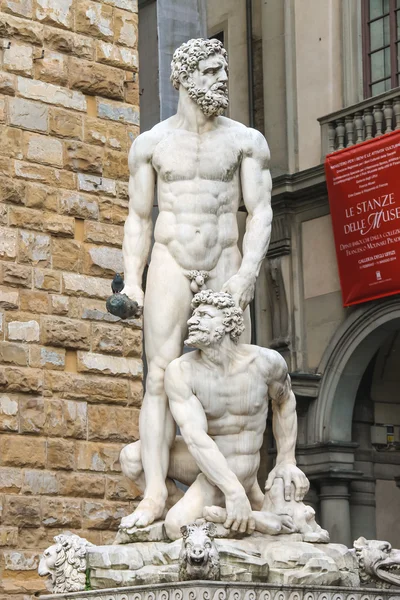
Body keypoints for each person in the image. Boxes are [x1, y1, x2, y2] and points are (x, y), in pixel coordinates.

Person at [120, 37, 273, 529]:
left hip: (226, 260)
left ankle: (240, 490)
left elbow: (263, 212)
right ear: (183, 77)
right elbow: (139, 219)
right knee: (161, 376)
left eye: (223, 71)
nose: (221, 79)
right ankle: (153, 494)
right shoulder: (151, 144)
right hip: (171, 261)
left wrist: (248, 274)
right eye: (210, 71)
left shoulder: (245, 140)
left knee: (234, 377)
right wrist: (132, 283)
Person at [161, 290, 309, 539]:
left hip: (240, 462)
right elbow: (195, 437)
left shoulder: (265, 363)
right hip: (205, 457)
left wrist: (286, 460)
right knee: (132, 458)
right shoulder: (181, 370)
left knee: (177, 527)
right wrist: (234, 493)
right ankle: (245, 518)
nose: (192, 321)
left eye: (204, 315)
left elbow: (285, 402)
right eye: (192, 315)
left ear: (228, 324)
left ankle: (214, 515)